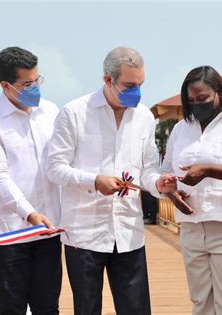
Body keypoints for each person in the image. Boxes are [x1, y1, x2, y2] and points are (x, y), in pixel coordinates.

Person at [45, 46, 176, 315]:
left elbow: (148, 169)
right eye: (129, 84)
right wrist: (94, 181)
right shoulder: (74, 113)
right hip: (83, 233)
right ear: (108, 80)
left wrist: (157, 184)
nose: (136, 91)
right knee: (87, 308)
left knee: (136, 309)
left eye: (140, 84)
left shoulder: (144, 117)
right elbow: (54, 168)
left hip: (128, 231)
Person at [159, 65, 222, 314]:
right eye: (191, 100)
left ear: (218, 92)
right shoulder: (181, 129)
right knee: (201, 304)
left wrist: (208, 169)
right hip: (192, 227)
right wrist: (170, 191)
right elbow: (164, 170)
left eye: (203, 98)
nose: (197, 104)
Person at [0, 47, 62, 314]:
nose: (35, 88)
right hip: (10, 233)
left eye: (37, 80)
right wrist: (29, 213)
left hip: (48, 229)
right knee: (13, 308)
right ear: (5, 85)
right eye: (27, 84)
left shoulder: (50, 111)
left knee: (48, 306)